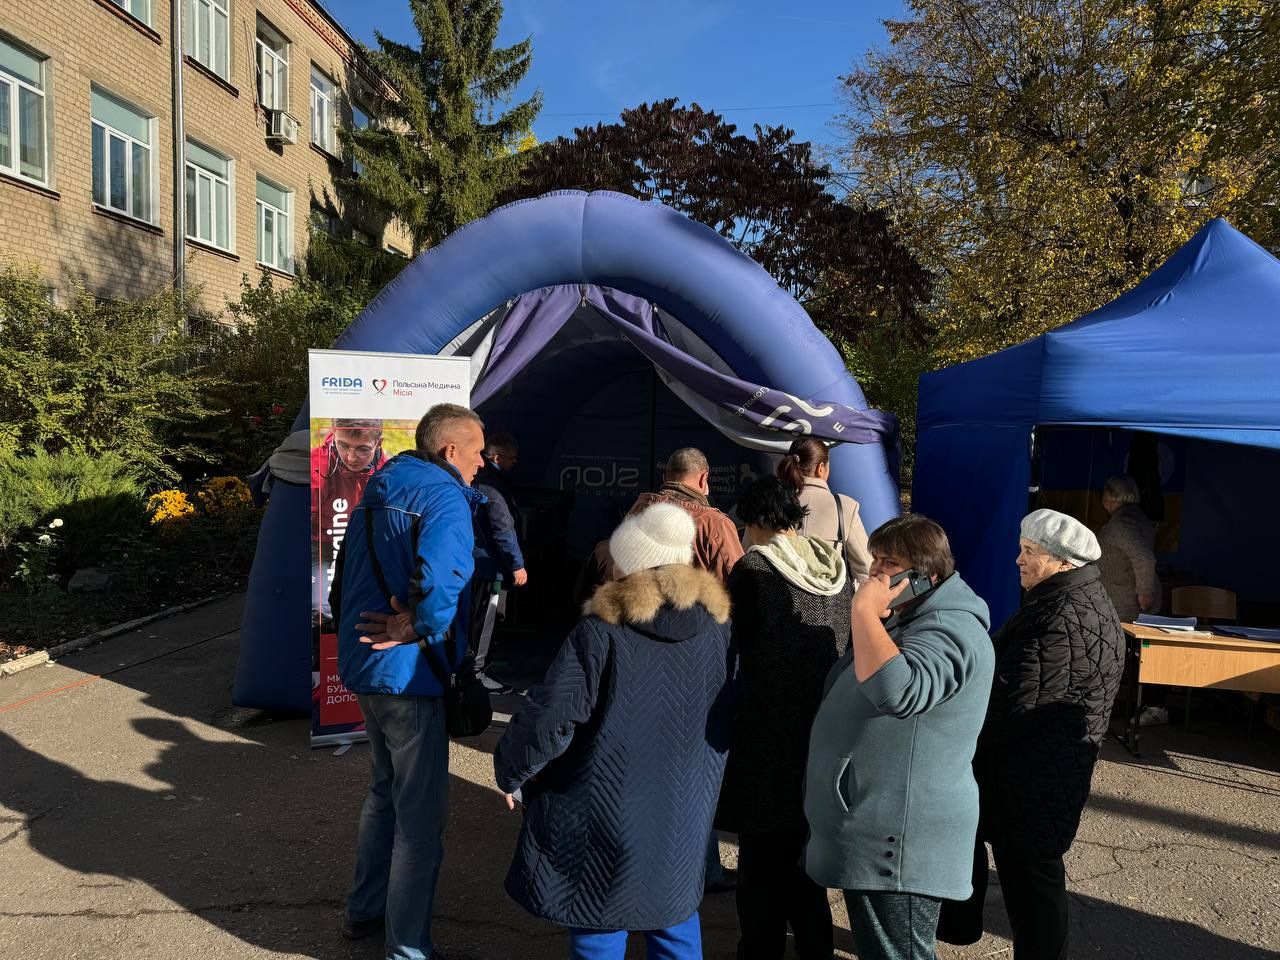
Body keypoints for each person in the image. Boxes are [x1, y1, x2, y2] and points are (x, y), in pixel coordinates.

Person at [493, 503, 734, 960]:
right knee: (673, 913)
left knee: (597, 916)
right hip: (684, 803)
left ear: (632, 562)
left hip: (603, 804)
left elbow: (552, 716)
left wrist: (512, 771)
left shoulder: (601, 631)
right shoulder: (719, 629)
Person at [331, 403, 486, 960]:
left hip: (366, 667)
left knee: (383, 793)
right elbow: (445, 580)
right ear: (450, 450)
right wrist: (415, 625)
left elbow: (341, 579)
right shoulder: (443, 497)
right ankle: (407, 950)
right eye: (477, 452)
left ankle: (364, 909)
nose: (483, 462)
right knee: (418, 823)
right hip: (409, 674)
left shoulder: (380, 486)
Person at [804, 514, 994, 960]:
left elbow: (900, 691)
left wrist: (862, 612)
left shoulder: (949, 627)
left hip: (898, 846)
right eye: (874, 560)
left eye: (888, 563)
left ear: (925, 576)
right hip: (880, 829)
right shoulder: (916, 616)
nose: (874, 573)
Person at [939, 509, 1125, 960]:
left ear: (1064, 562)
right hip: (1037, 772)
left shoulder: (1064, 618)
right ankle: (960, 928)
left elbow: (1014, 703)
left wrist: (952, 731)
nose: (1018, 560)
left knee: (1033, 888)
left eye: (1030, 552)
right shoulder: (1069, 600)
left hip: (1034, 779)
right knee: (1030, 880)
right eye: (1021, 548)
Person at [715, 477, 850, 960]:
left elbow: (730, 649)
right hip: (823, 724)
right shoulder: (835, 567)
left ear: (755, 520)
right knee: (803, 851)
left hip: (765, 729)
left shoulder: (754, 570)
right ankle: (816, 947)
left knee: (759, 859)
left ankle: (760, 949)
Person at [626, 446, 744, 891]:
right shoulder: (713, 524)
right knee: (695, 767)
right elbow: (741, 586)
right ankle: (702, 868)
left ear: (668, 474)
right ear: (704, 479)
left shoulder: (639, 511)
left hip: (637, 652)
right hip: (698, 659)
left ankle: (643, 857)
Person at [1096, 475, 1166, 724]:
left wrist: (1144, 592)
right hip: (1126, 599)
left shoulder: (1122, 524)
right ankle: (1147, 705)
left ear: (1109, 498)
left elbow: (1143, 558)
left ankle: (1152, 707)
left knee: (1136, 656)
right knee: (1136, 656)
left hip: (1128, 603)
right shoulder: (1136, 517)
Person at [629, 447, 745, 584]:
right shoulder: (715, 524)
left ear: (664, 478)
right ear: (703, 478)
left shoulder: (636, 512)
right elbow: (738, 584)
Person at [311, 418, 387, 624]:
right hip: (324, 546)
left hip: (367, 546)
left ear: (378, 443)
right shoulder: (316, 467)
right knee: (322, 607)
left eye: (362, 449)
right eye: (343, 445)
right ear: (334, 434)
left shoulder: (388, 471)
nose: (351, 458)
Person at [470, 432, 529, 692]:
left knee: (478, 618)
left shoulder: (479, 480)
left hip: (476, 564)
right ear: (496, 458)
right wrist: (517, 564)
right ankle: (477, 672)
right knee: (486, 620)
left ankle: (474, 670)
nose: (515, 462)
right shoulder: (492, 486)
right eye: (511, 458)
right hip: (489, 566)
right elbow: (502, 527)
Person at [774, 436, 872, 583]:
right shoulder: (844, 506)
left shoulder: (770, 504)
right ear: (821, 468)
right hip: (829, 594)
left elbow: (746, 557)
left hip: (775, 594)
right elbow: (866, 568)